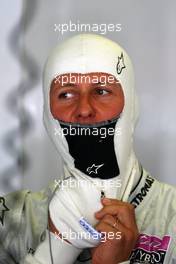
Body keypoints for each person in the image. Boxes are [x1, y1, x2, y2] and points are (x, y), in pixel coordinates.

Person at [0, 33, 176, 264]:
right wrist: (56, 250)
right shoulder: (14, 219)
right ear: (47, 112)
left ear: (131, 106)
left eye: (101, 91)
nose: (84, 109)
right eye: (67, 94)